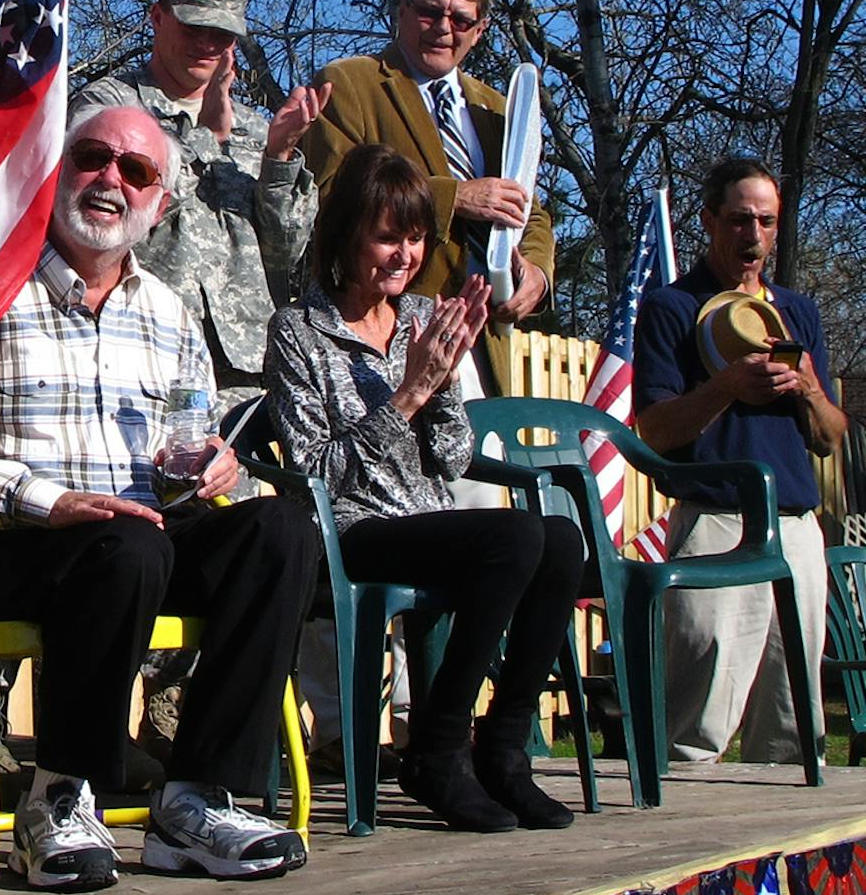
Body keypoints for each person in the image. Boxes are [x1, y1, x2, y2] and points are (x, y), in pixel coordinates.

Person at [0, 105, 318, 892]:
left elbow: (186, 448)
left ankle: (195, 800)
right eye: (93, 156)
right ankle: (58, 797)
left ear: (159, 206)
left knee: (281, 529)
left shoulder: (170, 315)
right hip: (2, 544)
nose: (112, 178)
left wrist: (211, 466)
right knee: (129, 543)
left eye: (139, 171)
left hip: (133, 542)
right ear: (55, 171)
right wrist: (49, 501)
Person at [265, 144, 582, 832]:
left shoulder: (418, 317)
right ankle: (438, 748)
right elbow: (316, 470)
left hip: (423, 518)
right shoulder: (298, 330)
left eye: (414, 238)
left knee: (559, 538)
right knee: (516, 535)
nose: (404, 255)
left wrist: (441, 383)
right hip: (348, 531)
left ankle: (502, 749)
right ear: (346, 235)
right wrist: (408, 392)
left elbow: (452, 455)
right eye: (387, 236)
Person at [635, 157, 848, 764]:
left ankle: (787, 854)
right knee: (695, 723)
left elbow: (831, 439)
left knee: (795, 725)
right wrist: (726, 386)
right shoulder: (673, 307)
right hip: (716, 521)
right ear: (709, 221)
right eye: (738, 219)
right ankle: (680, 840)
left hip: (798, 528)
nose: (751, 235)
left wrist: (807, 386)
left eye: (765, 221)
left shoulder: (798, 315)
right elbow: (653, 429)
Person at [303, 0, 553, 398]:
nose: (443, 29)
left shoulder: (497, 110)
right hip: (386, 335)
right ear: (401, 10)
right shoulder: (350, 85)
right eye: (429, 12)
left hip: (483, 343)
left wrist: (537, 270)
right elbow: (331, 194)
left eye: (460, 20)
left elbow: (529, 209)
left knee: (486, 471)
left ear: (480, 30)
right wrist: (452, 197)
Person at [78, 0, 327, 399]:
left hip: (250, 366)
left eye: (222, 34)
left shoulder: (255, 128)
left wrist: (280, 157)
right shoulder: (110, 110)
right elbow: (107, 228)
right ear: (158, 17)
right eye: (195, 27)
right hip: (145, 351)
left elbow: (286, 258)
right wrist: (206, 140)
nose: (208, 44)